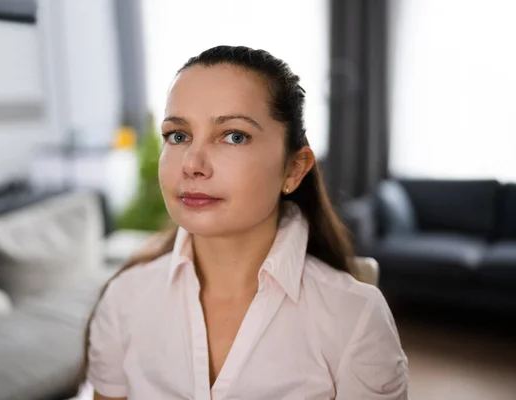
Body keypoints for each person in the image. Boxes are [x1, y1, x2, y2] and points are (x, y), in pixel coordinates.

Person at [85, 45, 409, 400]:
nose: (192, 163)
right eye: (178, 135)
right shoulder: (124, 298)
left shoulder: (354, 317)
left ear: (293, 169)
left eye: (234, 136)